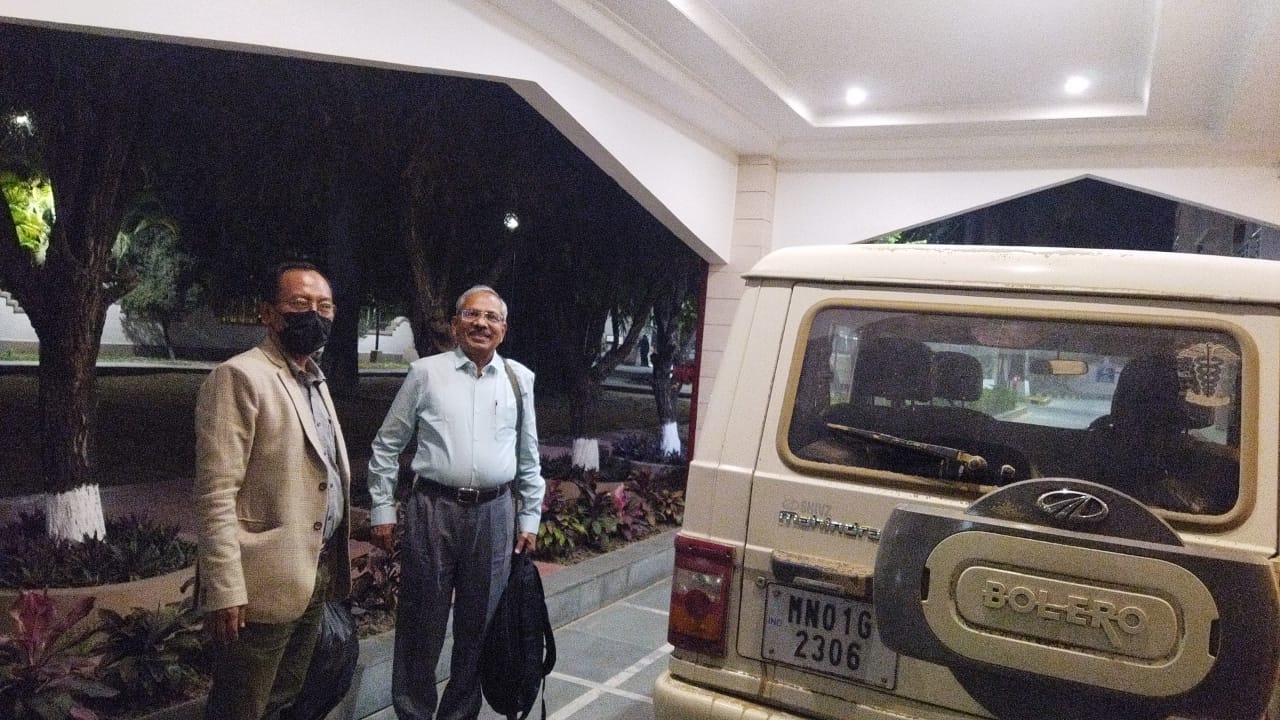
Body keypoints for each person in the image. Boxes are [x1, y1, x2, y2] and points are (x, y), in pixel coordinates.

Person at [366, 285, 544, 720]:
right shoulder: (425, 373)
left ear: (503, 329)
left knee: (480, 627)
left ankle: (459, 714)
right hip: (433, 510)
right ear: (455, 324)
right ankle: (413, 711)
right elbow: (387, 444)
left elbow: (529, 455)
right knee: (420, 624)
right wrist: (382, 508)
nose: (481, 323)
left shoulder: (520, 379)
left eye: (491, 317)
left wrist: (529, 517)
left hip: (496, 514)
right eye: (471, 314)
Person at [195, 261, 352, 720]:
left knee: (284, 698)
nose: (314, 315)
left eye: (324, 306)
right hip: (258, 585)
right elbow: (216, 493)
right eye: (299, 304)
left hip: (311, 573)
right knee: (240, 707)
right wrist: (225, 589)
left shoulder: (313, 379)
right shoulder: (240, 376)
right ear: (268, 313)